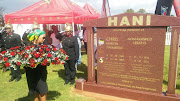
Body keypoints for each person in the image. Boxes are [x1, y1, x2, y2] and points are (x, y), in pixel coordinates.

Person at [24, 28, 48, 101]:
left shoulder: (43, 47)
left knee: (42, 90)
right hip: (31, 72)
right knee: (35, 90)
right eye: (43, 37)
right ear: (37, 37)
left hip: (41, 72)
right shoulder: (28, 47)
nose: (44, 39)